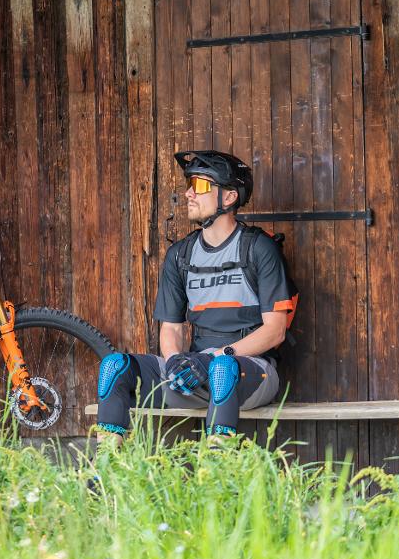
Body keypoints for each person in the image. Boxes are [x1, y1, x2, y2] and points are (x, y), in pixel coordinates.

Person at [96, 150, 296, 440]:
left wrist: (217, 357)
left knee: (222, 370)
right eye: (189, 184)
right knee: (114, 367)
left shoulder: (259, 249)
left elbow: (275, 332)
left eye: (201, 186)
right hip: (195, 371)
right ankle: (106, 470)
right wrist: (176, 360)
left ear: (228, 197)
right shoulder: (180, 255)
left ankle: (216, 471)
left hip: (251, 373)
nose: (189, 193)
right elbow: (172, 328)